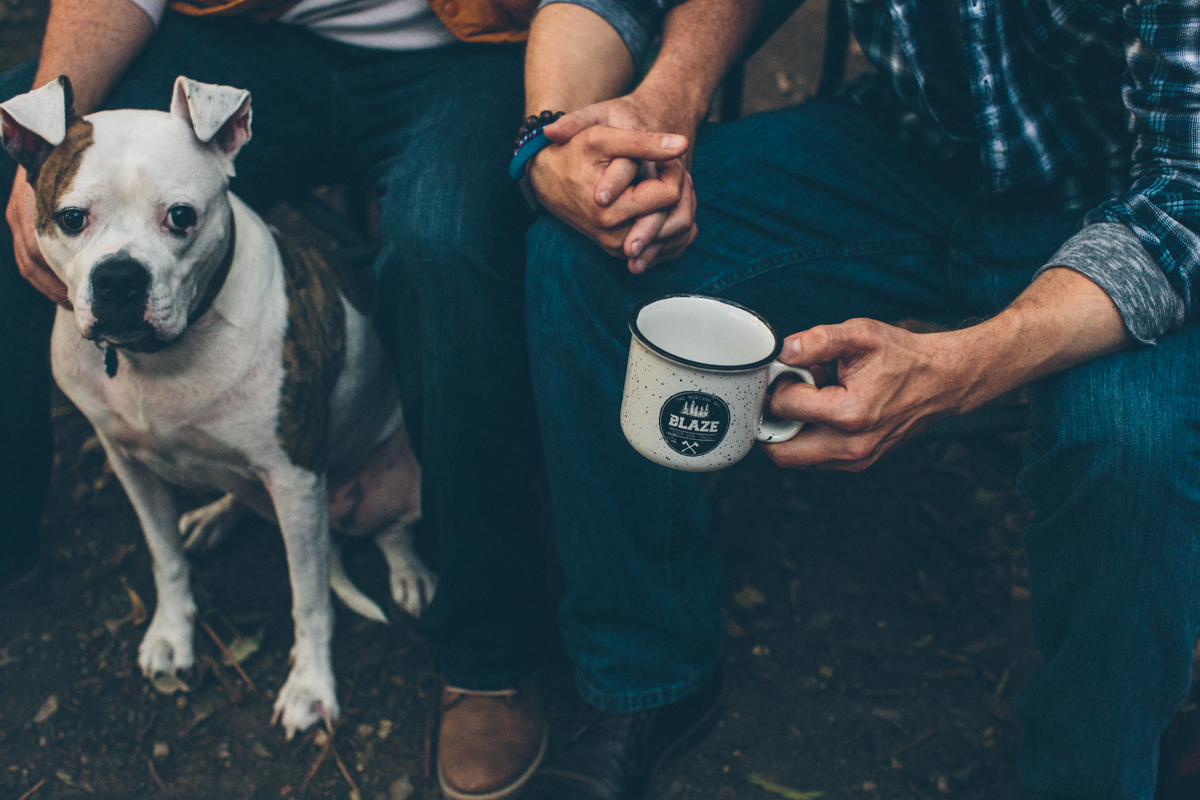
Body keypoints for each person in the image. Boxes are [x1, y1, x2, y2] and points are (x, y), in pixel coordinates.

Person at [519, 0, 1200, 797]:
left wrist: (961, 367)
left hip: (1120, 205)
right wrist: (585, 128)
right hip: (908, 148)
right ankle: (647, 674)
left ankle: (1088, 776)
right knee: (584, 259)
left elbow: (1186, 196)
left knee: (1131, 449)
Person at [1, 1, 582, 797]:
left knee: (442, 239)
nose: (119, 261)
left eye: (177, 220)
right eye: (76, 223)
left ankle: (493, 653)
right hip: (248, 29)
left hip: (466, 48)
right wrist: (37, 147)